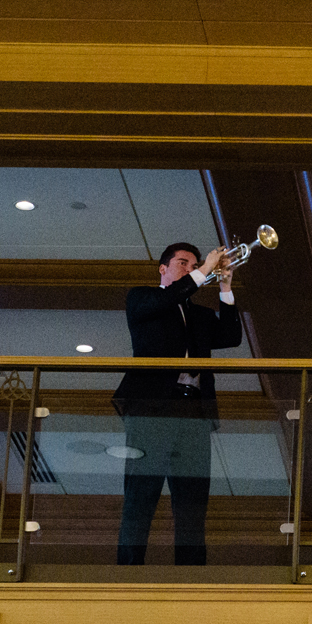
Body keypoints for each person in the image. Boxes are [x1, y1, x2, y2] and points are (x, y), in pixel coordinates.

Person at [113, 242, 244, 565]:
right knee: (141, 494)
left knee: (192, 500)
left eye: (194, 264)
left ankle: (191, 576)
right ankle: (128, 573)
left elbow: (230, 336)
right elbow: (168, 298)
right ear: (163, 268)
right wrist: (202, 272)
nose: (190, 268)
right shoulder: (142, 298)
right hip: (152, 408)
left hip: (194, 411)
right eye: (183, 263)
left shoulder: (198, 314)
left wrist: (225, 284)